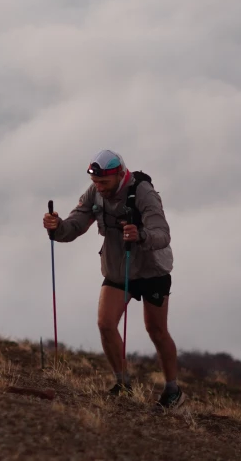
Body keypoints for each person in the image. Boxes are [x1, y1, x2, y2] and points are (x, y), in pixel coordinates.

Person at [42, 149, 185, 411]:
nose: (99, 188)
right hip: (118, 269)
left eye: (104, 183)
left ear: (120, 175)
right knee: (105, 323)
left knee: (156, 330)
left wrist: (140, 235)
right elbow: (76, 224)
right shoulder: (94, 192)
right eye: (96, 182)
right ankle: (123, 384)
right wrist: (57, 226)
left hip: (153, 269)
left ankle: (173, 389)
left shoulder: (143, 192)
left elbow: (162, 233)